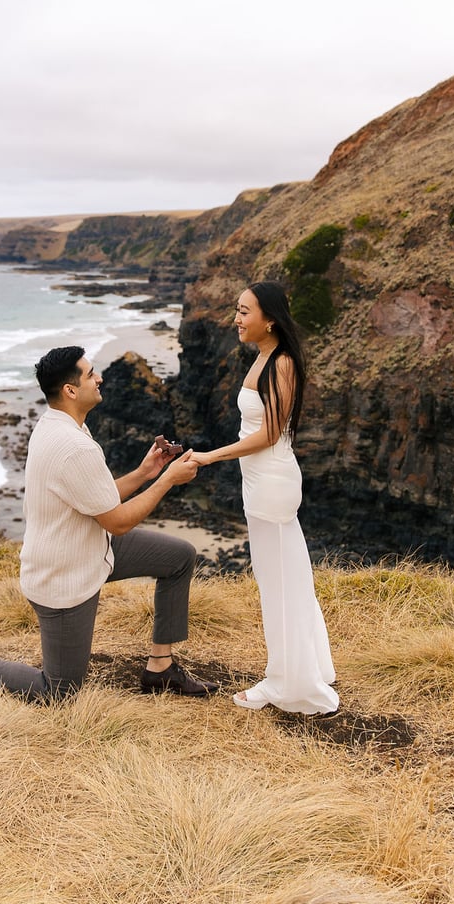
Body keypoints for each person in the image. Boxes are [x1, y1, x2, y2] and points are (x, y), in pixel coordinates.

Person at [0, 345, 218, 703]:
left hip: (91, 549)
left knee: (178, 557)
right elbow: (118, 522)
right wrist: (167, 480)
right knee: (59, 692)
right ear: (70, 390)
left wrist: (144, 473)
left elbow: (98, 499)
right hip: (63, 576)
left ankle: (160, 668)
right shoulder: (75, 446)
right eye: (91, 374)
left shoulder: (57, 425)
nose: (99, 378)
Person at [190, 281, 338, 715]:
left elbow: (270, 433)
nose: (236, 319)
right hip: (260, 480)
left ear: (269, 319)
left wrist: (211, 455)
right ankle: (309, 668)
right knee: (287, 578)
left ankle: (288, 684)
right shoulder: (263, 357)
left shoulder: (283, 363)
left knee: (279, 585)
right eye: (237, 310)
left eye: (244, 311)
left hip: (272, 482)